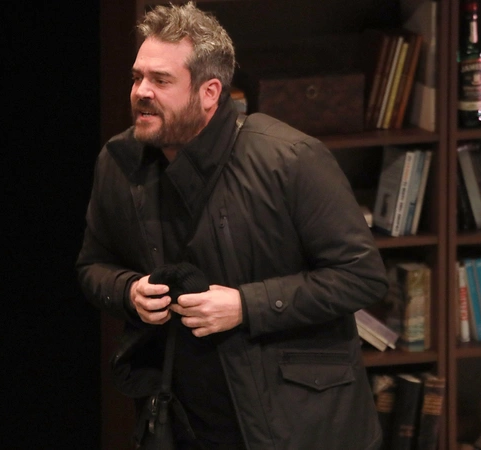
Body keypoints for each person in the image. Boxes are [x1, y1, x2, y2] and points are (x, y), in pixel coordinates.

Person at [76, 2, 389, 449]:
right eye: (137, 77)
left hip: (296, 423)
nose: (141, 91)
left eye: (161, 80)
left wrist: (246, 305)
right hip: (181, 416)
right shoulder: (118, 162)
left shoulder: (290, 159)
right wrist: (128, 291)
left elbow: (362, 276)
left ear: (210, 92)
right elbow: (92, 266)